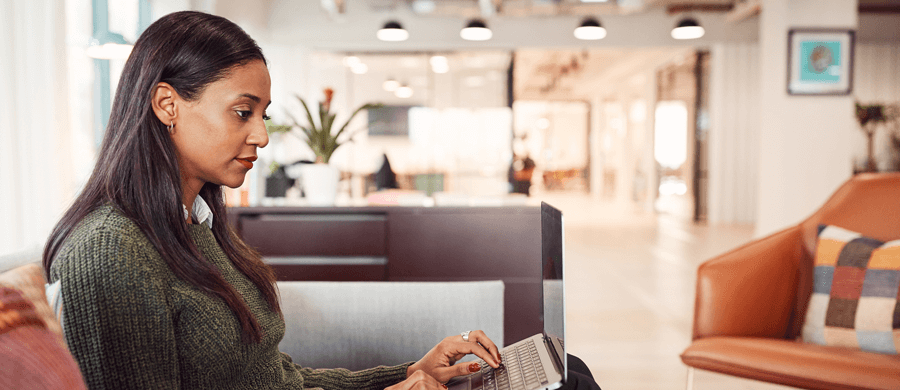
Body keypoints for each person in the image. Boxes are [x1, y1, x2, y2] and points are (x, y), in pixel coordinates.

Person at [42, 10, 600, 390]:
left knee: (562, 371)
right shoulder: (110, 252)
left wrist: (408, 371)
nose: (261, 135)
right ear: (167, 104)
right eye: (243, 112)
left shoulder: (197, 225)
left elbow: (279, 380)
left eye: (264, 115)